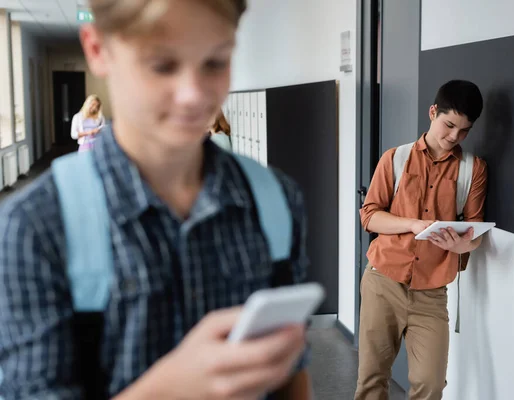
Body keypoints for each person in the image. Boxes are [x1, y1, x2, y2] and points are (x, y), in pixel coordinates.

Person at [0, 1, 313, 399]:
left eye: (215, 63)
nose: (193, 95)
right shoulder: (36, 226)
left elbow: (291, 373)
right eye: (162, 65)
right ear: (97, 49)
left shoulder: (275, 201)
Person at [355, 80, 488, 400]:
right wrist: (412, 224)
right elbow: (369, 215)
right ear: (433, 112)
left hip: (432, 291)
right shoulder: (395, 159)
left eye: (464, 130)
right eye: (449, 125)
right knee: (372, 379)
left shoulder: (474, 169)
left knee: (430, 385)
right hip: (383, 281)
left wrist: (463, 246)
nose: (454, 136)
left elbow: (475, 230)